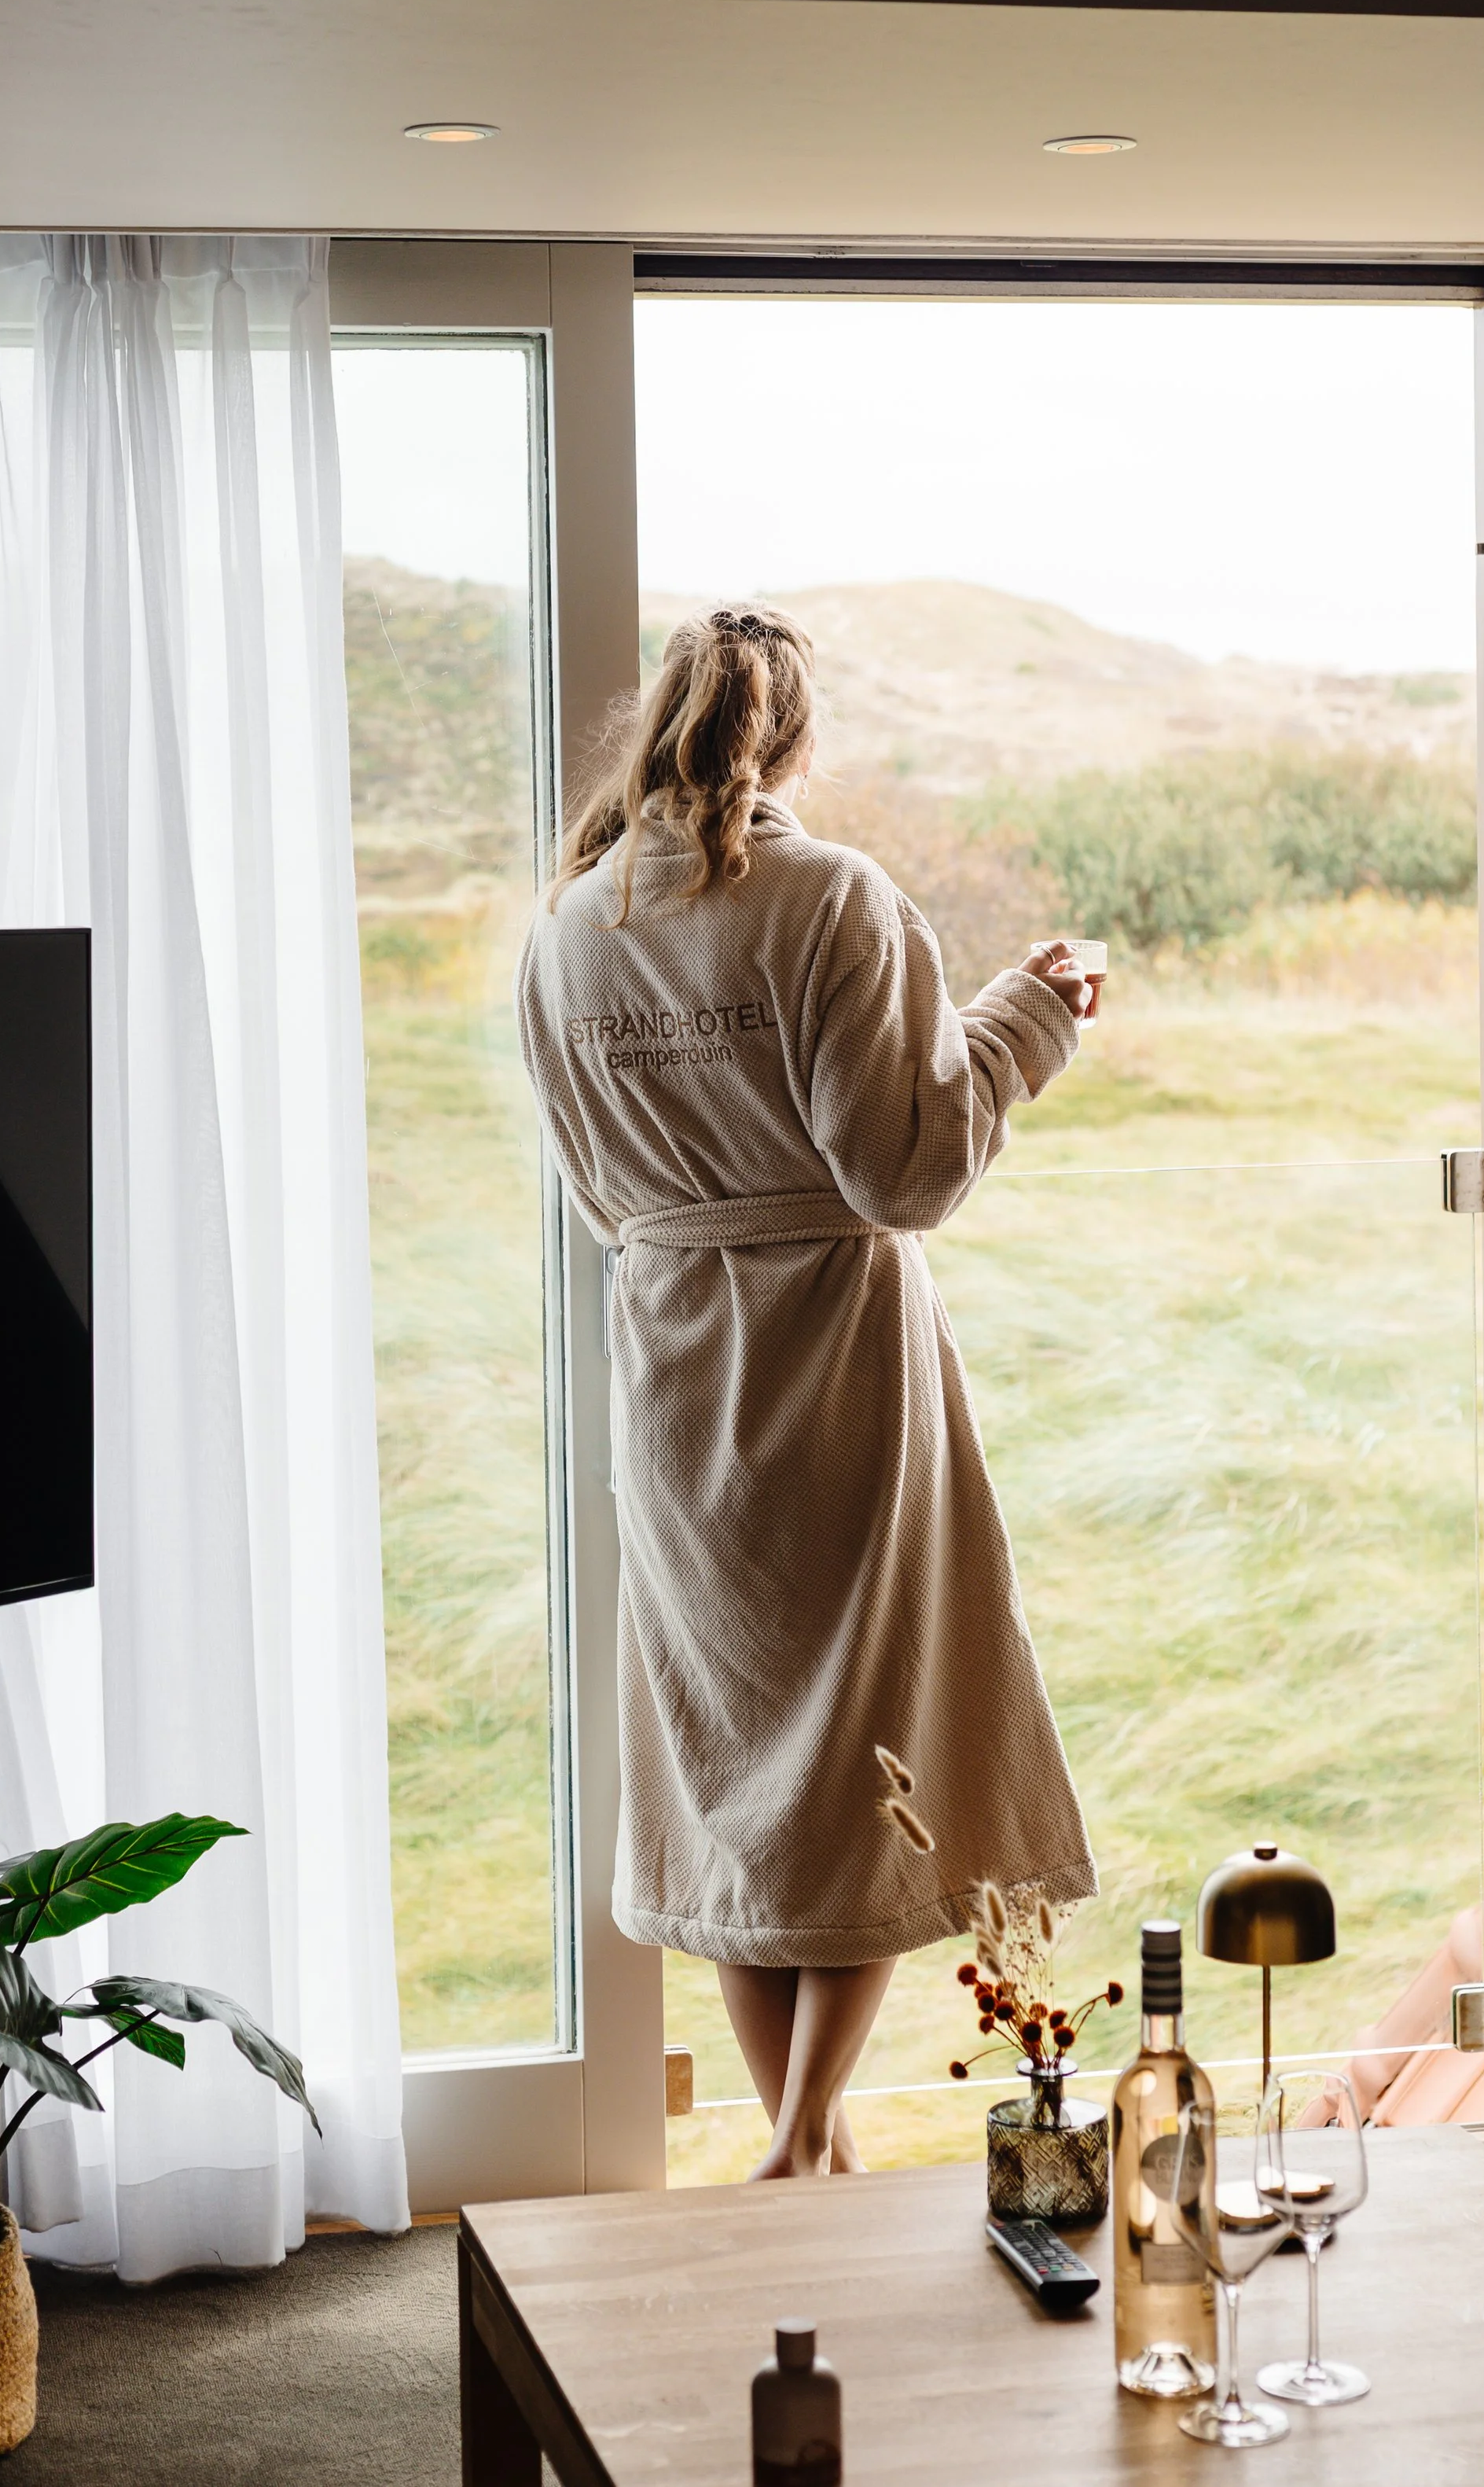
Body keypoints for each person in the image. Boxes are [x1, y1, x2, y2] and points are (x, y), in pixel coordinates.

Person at [516, 605, 1096, 2178]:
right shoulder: (834, 897)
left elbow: (595, 1188)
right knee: (858, 1746)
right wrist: (1025, 1022)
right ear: (788, 739)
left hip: (669, 1367)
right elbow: (902, 1168)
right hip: (830, 1360)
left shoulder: (568, 926)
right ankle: (800, 2136)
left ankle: (807, 2152)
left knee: (733, 1756)